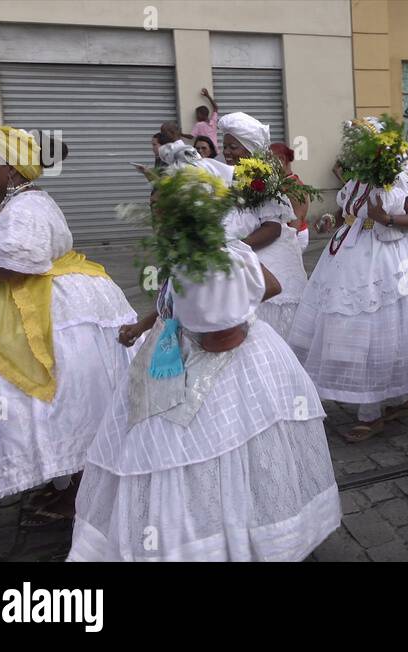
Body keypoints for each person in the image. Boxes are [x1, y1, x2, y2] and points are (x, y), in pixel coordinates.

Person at [69, 186, 340, 561]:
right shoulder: (191, 250)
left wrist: (236, 316)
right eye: (151, 208)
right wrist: (145, 325)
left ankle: (223, 540)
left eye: (161, 208)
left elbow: (247, 310)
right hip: (170, 354)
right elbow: (171, 298)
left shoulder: (217, 254)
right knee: (170, 450)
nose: (155, 217)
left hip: (218, 369)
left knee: (210, 450)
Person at [0, 124, 135, 518]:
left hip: (56, 311)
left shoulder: (27, 208)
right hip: (57, 306)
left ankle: (79, 492)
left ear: (13, 171)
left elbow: (15, 267)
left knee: (63, 403)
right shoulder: (20, 203)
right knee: (63, 405)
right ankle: (66, 482)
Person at [288, 117, 408, 442]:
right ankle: (380, 404)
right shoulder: (354, 182)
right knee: (361, 332)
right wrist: (327, 220)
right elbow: (345, 215)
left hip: (391, 262)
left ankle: (388, 404)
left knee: (388, 331)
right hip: (349, 258)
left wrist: (388, 218)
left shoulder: (395, 180)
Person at [219, 112, 307, 340]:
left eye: (233, 147)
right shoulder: (225, 178)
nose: (227, 152)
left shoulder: (262, 179)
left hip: (265, 260)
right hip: (233, 258)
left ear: (249, 149)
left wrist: (238, 247)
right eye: (225, 146)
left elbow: (273, 228)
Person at [270, 142, 310, 252]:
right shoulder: (283, 181)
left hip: (295, 235)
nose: (267, 166)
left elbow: (296, 220)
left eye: (269, 161)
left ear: (281, 159)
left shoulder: (294, 186)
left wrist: (286, 245)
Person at [190, 88, 219, 156]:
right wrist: (207, 95)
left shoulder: (199, 125)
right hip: (215, 150)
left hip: (205, 151)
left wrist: (180, 133)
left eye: (197, 114)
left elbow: (191, 136)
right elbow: (216, 107)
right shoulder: (213, 121)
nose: (196, 117)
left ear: (202, 115)